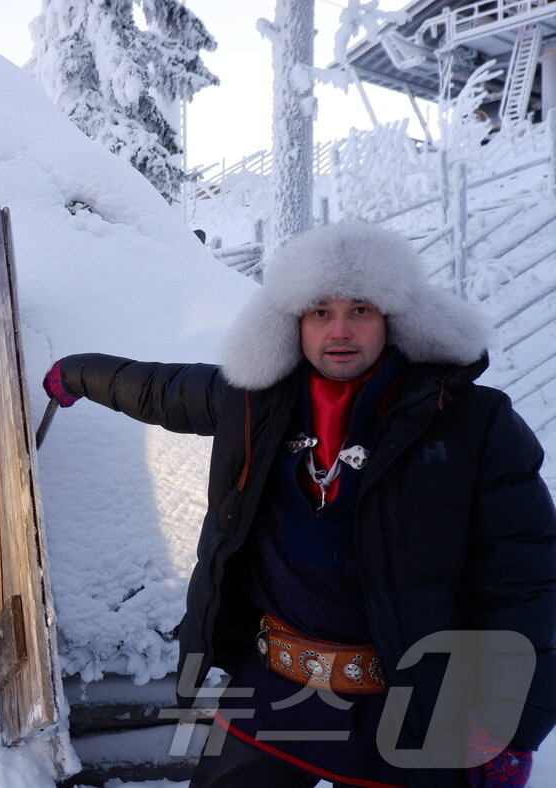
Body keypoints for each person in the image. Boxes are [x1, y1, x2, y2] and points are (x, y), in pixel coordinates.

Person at [41, 222, 556, 788]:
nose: (339, 330)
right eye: (319, 311)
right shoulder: (252, 403)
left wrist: (513, 727)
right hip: (276, 692)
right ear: (291, 323)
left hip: (413, 705)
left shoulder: (473, 424)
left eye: (360, 309)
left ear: (395, 318)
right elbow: (157, 389)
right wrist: (76, 371)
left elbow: (527, 582)